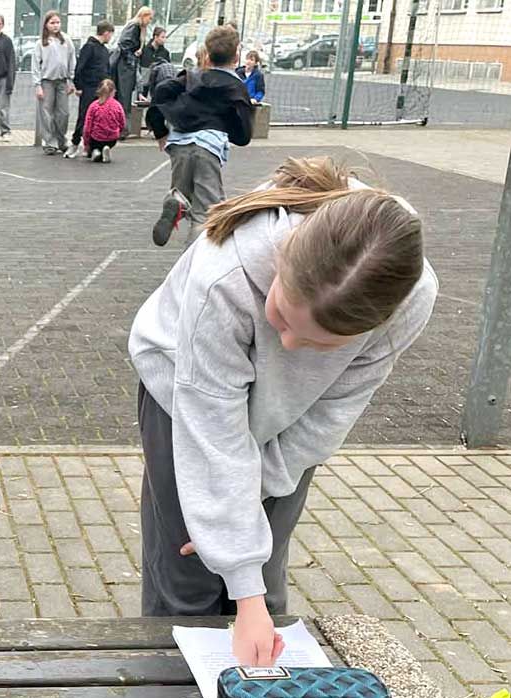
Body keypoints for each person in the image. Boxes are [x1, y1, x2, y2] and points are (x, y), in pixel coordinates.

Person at [128, 156, 437, 666]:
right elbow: (213, 429)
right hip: (184, 396)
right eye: (280, 317)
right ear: (282, 261)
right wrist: (233, 555)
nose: (288, 344)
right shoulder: (225, 272)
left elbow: (330, 414)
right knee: (185, 583)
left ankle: (257, 690)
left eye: (320, 344)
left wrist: (243, 536)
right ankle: (170, 691)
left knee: (264, 574)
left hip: (293, 420)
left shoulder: (409, 298)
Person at [146, 24, 253, 247]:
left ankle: (177, 201)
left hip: (179, 145)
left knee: (183, 192)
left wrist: (160, 130)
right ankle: (195, 262)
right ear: (236, 57)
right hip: (208, 147)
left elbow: (162, 90)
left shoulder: (192, 76)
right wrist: (230, 127)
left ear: (208, 54)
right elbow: (244, 134)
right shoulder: (236, 86)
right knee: (207, 213)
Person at [66, 20, 114, 156]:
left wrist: (109, 87)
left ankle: (93, 147)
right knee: (84, 116)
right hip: (88, 88)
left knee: (100, 118)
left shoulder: (104, 50)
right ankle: (75, 143)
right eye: (111, 34)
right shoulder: (89, 47)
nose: (111, 37)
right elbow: (79, 68)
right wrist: (79, 86)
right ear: (106, 33)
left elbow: (107, 70)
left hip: (102, 89)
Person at [31, 10, 76, 156]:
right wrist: (37, 85)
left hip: (62, 82)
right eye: (52, 23)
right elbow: (35, 65)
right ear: (46, 25)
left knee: (64, 113)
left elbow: (72, 60)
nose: (55, 25)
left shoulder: (66, 40)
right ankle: (50, 142)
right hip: (47, 82)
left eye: (57, 22)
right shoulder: (40, 43)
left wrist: (71, 80)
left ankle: (61, 140)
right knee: (46, 113)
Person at [112, 6, 154, 138]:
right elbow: (124, 45)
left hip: (126, 65)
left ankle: (121, 128)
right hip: (126, 66)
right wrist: (133, 55)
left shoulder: (134, 27)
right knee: (124, 96)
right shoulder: (135, 27)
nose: (150, 21)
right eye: (149, 18)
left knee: (123, 96)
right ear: (144, 16)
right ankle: (122, 128)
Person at [81, 79, 125, 162]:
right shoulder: (117, 105)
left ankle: (96, 151)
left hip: (96, 138)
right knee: (108, 142)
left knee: (94, 142)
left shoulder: (94, 106)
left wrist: (86, 143)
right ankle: (105, 148)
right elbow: (122, 121)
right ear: (113, 92)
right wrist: (119, 131)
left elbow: (87, 126)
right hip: (112, 138)